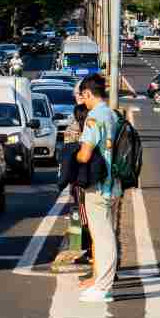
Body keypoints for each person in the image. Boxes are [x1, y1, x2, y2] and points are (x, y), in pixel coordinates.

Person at [73, 74, 122, 303]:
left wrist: (73, 157)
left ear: (88, 93)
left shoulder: (94, 117)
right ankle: (100, 282)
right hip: (113, 184)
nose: (82, 100)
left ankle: (103, 287)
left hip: (98, 186)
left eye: (82, 96)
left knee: (103, 238)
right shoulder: (112, 114)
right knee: (106, 234)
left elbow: (85, 154)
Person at [51, 103, 92, 273]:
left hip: (77, 180)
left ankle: (80, 248)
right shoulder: (92, 128)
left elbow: (67, 156)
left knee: (78, 213)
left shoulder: (71, 130)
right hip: (92, 179)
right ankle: (89, 249)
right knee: (88, 216)